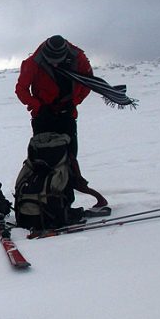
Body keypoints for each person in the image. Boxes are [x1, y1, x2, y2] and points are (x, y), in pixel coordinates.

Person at [15, 35, 109, 212]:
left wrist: (74, 102)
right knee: (43, 158)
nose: (56, 64)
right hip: (43, 116)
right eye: (52, 61)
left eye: (59, 61)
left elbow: (87, 81)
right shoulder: (33, 62)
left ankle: (63, 202)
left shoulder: (77, 57)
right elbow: (21, 89)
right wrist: (37, 107)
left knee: (69, 158)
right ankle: (45, 200)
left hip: (66, 113)